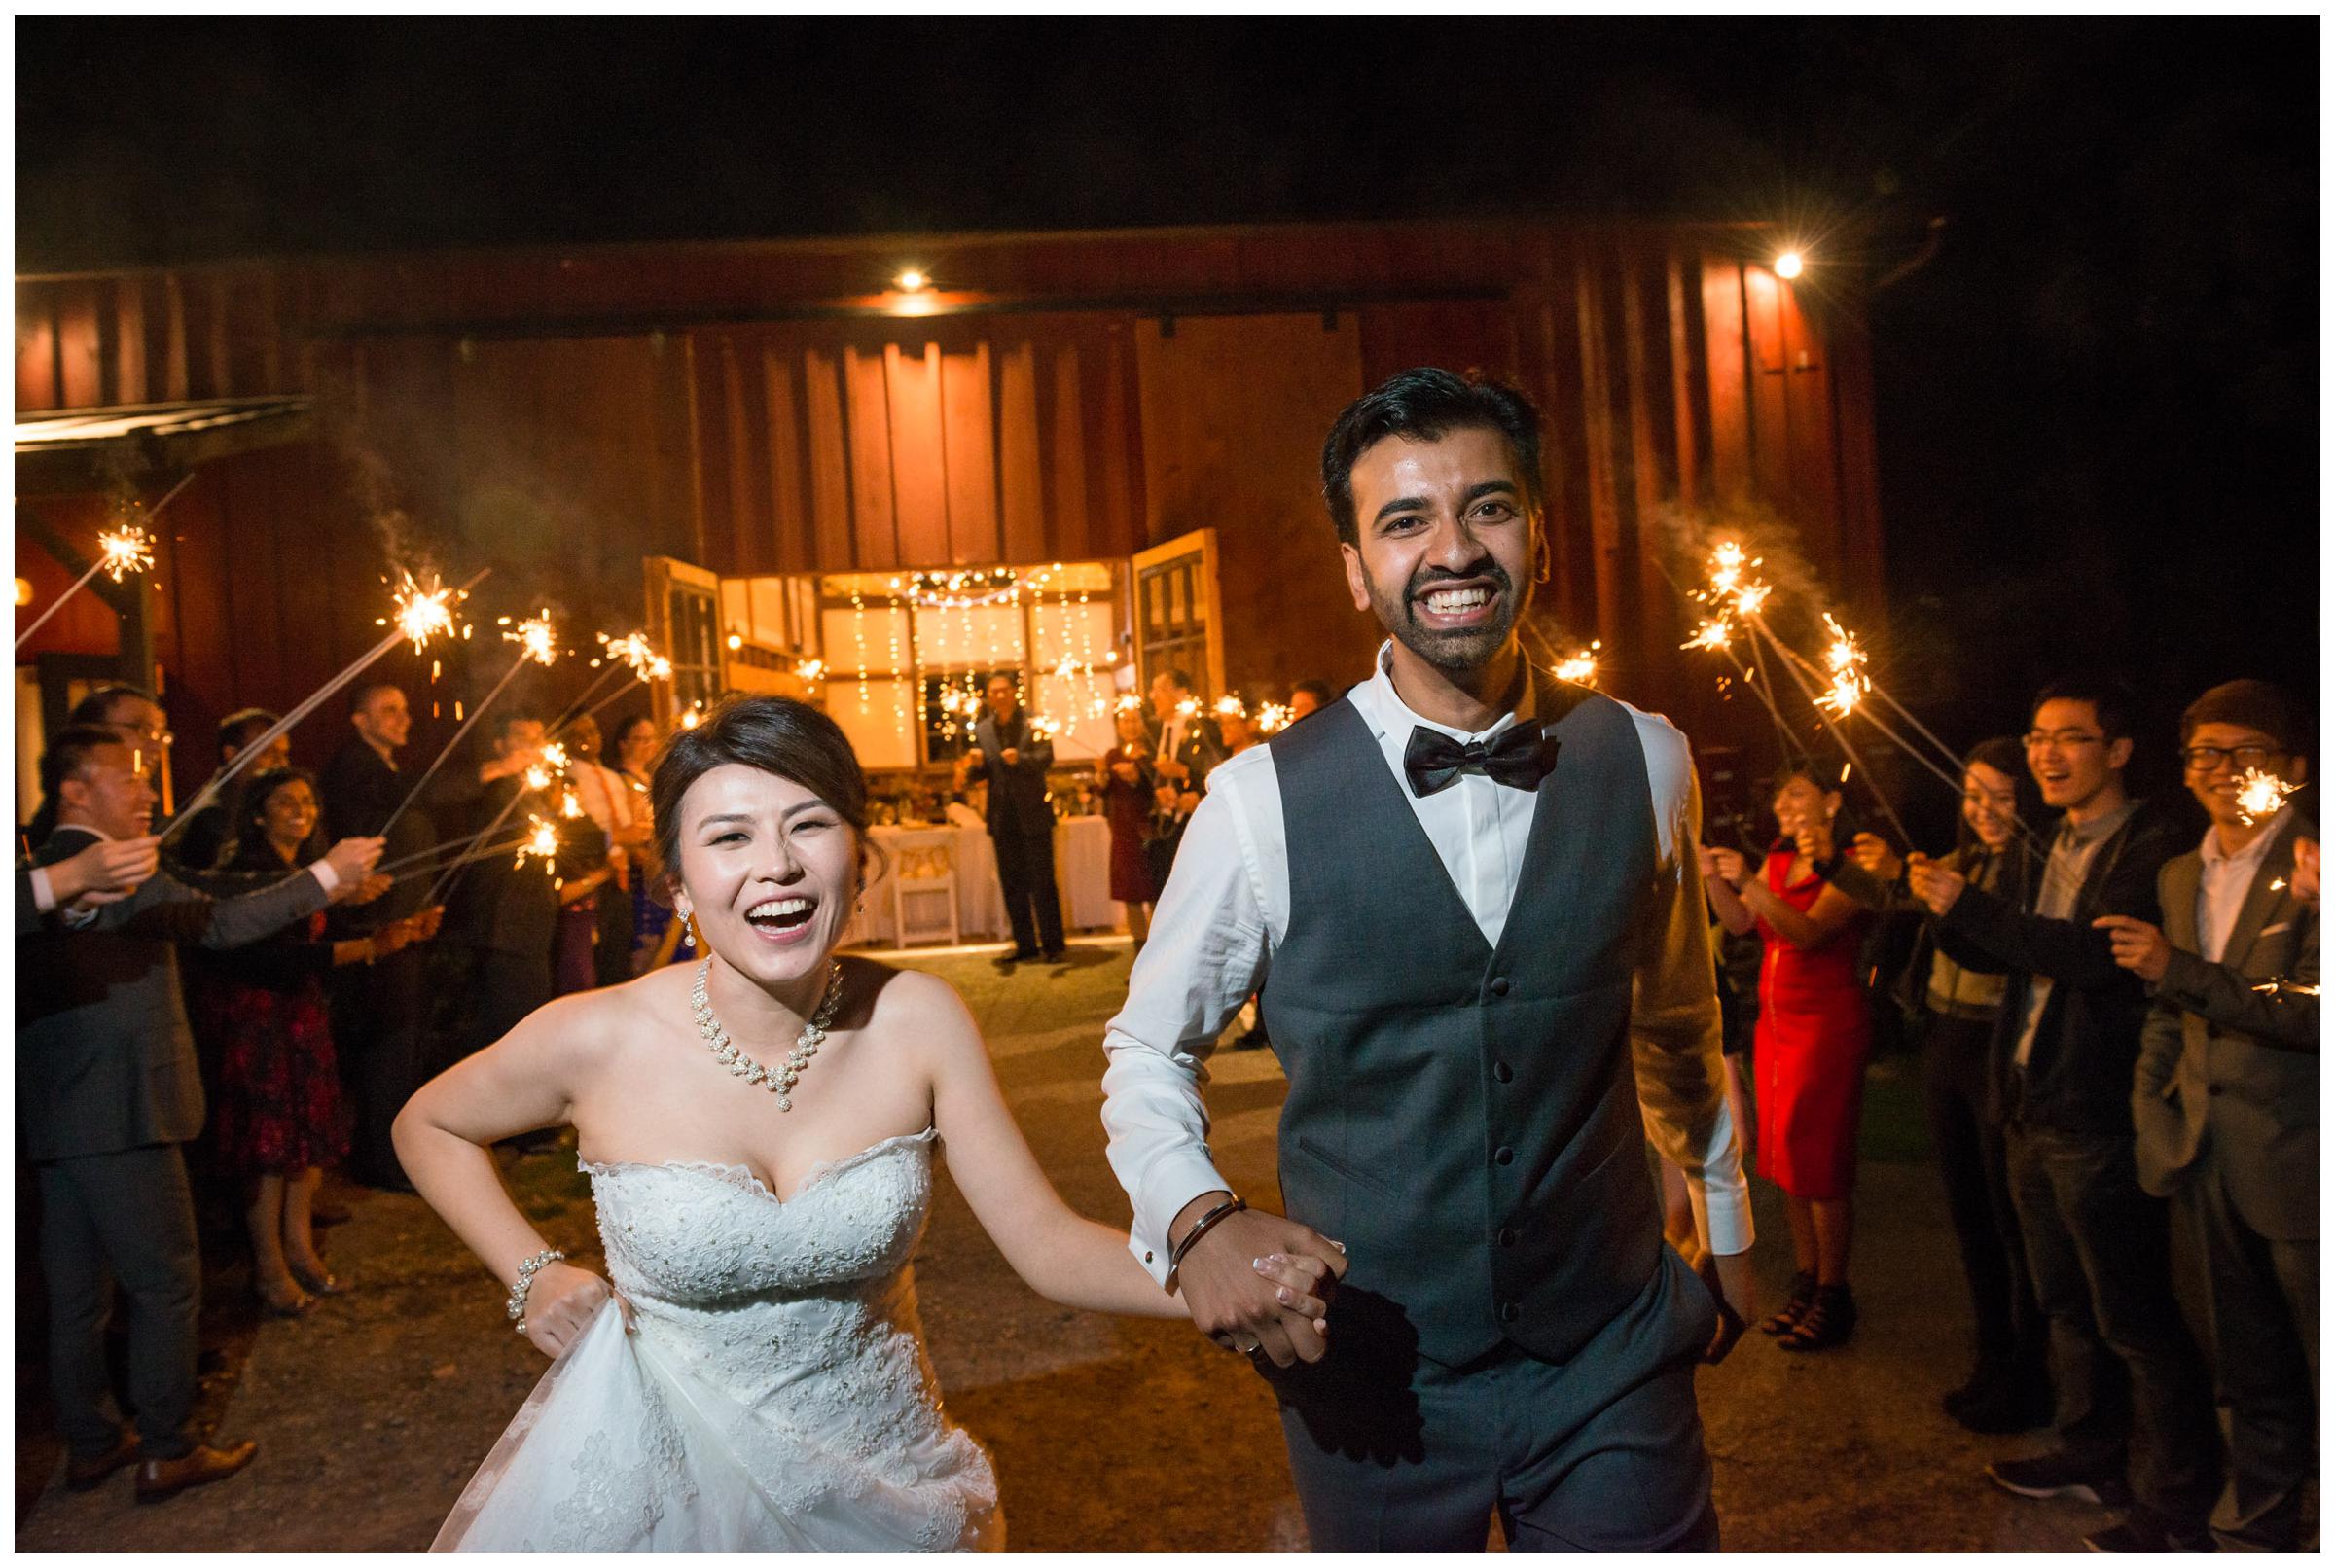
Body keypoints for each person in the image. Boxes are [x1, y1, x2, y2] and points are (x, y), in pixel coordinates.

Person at [391, 695, 1332, 1550]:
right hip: (668, 1499)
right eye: (729, 838)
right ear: (676, 881)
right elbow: (429, 1125)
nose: (778, 866)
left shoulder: (916, 1019)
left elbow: (1045, 1244)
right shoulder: (595, 1038)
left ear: (860, 855)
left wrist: (1222, 1278)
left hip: (890, 1495)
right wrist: (533, 1274)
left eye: (810, 824)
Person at [1101, 368, 1752, 1551]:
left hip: (1610, 1344)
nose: (1454, 549)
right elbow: (1151, 1045)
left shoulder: (1647, 759)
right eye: (1404, 521)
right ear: (1356, 567)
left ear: (1540, 537)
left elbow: (1678, 1021)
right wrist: (1195, 1219)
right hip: (1372, 1366)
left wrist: (1730, 1227)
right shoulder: (1258, 804)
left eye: (1489, 507)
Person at [18, 725, 382, 1503]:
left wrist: (320, 882)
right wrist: (324, 874)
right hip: (124, 1110)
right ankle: (168, 1445)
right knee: (166, 1281)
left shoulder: (57, 863)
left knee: (77, 1293)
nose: (147, 789)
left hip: (58, 1117)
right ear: (76, 790)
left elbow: (218, 896)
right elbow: (219, 924)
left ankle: (89, 1441)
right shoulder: (96, 869)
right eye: (127, 776)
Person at [1910, 679, 2221, 1552]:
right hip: (2030, 1099)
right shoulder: (2045, 839)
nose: (2046, 753)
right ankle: (2094, 1450)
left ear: (2118, 753)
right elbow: (1995, 947)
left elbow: (2092, 959)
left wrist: (1970, 909)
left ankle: (2180, 1492)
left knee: (2135, 1315)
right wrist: (1945, 906)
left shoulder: (2151, 846)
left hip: (2096, 1109)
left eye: (2071, 738)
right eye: (2039, 736)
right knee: (2065, 1302)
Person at [2094, 680, 2317, 1550]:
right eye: (2205, 755)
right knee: (2244, 1369)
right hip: (2204, 1158)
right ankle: (2255, 1533)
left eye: (2247, 754)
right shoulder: (2181, 871)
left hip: (2300, 1161)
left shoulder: (2318, 858)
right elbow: (2163, 1014)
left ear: (2293, 771)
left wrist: (2176, 967)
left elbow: (2310, 1006)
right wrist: (2153, 1115)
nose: (2223, 772)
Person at [1842, 738, 2054, 1425]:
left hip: (1992, 1043)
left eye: (2001, 795)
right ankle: (1992, 1359)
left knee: (2009, 1219)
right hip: (1944, 1039)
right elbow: (1892, 895)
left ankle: (2030, 1372)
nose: (1985, 809)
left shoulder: (2035, 872)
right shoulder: (1963, 863)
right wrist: (1851, 862)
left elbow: (1998, 949)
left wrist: (1945, 899)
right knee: (1970, 1217)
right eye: (1973, 794)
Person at [189, 768, 431, 1315]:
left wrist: (393, 934)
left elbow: (322, 937)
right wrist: (371, 947)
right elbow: (274, 957)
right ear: (258, 814)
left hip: (302, 1020)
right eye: (284, 802)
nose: (300, 810)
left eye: (307, 800)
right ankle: (269, 1268)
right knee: (270, 1151)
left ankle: (299, 1249)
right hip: (260, 1022)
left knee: (306, 1144)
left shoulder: (302, 871)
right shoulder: (253, 874)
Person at [1701, 760, 1876, 1352]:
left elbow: (1804, 933)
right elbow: (1746, 924)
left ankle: (1835, 1290)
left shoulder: (1853, 869)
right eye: (1781, 800)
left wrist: (1748, 881)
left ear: (1831, 801)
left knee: (1821, 1165)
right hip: (1775, 1029)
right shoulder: (1777, 860)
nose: (1786, 809)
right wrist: (1715, 879)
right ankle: (1807, 1280)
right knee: (1787, 1163)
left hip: (1825, 1028)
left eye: (1799, 796)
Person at [321, 681, 441, 1191]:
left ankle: (395, 1154)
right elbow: (407, 801)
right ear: (359, 720)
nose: (403, 719)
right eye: (388, 710)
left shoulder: (384, 768)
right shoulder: (356, 768)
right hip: (377, 928)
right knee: (387, 1047)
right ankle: (380, 1158)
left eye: (405, 709)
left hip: (405, 922)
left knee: (404, 1042)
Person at [953, 673, 1064, 967]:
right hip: (1002, 817)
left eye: (1004, 690)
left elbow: (1047, 757)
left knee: (1042, 882)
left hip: (1034, 814)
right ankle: (1025, 944)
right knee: (1012, 883)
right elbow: (983, 776)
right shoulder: (983, 729)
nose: (999, 695)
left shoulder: (1033, 721)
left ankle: (1053, 945)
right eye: (994, 691)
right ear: (989, 696)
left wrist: (1022, 759)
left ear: (1014, 692)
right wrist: (975, 767)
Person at [564, 713, 650, 988]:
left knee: (618, 958)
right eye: (580, 733)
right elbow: (578, 834)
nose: (589, 739)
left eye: (593, 731)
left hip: (621, 877)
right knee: (591, 963)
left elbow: (629, 827)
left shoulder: (612, 778)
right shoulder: (567, 777)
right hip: (590, 880)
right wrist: (616, 839)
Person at [168, 708, 288, 873]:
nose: (281, 764)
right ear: (232, 754)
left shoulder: (254, 804)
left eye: (284, 754)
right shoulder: (212, 818)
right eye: (267, 752)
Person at [1095, 704, 1161, 947]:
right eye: (1125, 721)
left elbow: (1154, 786)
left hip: (1150, 831)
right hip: (1122, 831)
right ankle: (1138, 952)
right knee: (1131, 893)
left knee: (1156, 891)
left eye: (1135, 720)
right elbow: (1102, 790)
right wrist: (1101, 774)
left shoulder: (1154, 752)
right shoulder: (1113, 755)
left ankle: (1159, 950)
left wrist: (1136, 776)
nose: (1130, 725)